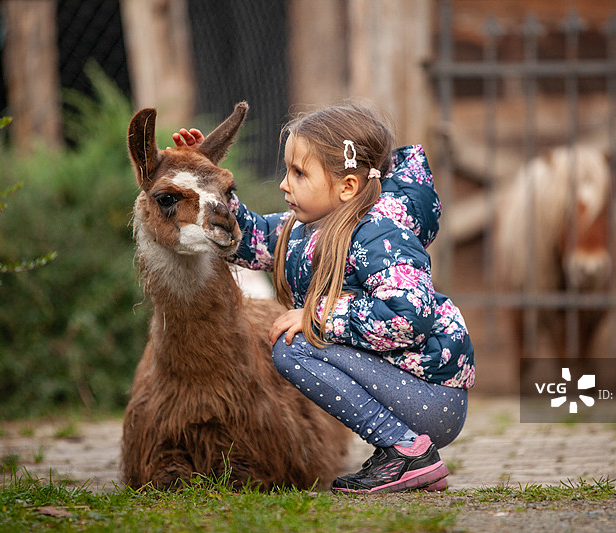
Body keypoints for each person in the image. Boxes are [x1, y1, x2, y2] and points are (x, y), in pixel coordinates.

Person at [172, 103, 475, 493]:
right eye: (287, 171)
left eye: (298, 173)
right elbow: (249, 236)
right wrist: (201, 174)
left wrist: (318, 316)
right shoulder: (310, 229)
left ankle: (406, 452)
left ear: (347, 187)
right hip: (412, 390)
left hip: (433, 398)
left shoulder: (380, 233)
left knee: (293, 345)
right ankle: (402, 453)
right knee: (296, 340)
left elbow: (407, 317)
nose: (284, 184)